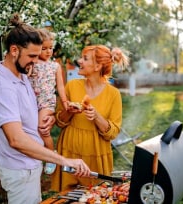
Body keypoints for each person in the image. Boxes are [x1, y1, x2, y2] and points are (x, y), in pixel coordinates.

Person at [0, 13, 90, 204]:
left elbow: (32, 109)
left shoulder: (22, 73)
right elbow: (16, 139)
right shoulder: (1, 85)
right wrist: (63, 160)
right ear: (14, 50)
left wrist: (48, 119)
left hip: (31, 164)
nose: (36, 61)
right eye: (32, 56)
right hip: (19, 169)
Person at [51, 45, 129, 191]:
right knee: (67, 198)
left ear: (97, 66)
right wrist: (69, 111)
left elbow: (113, 133)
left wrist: (96, 117)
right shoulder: (72, 86)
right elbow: (59, 122)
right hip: (68, 151)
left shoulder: (113, 94)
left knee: (95, 196)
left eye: (85, 58)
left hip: (96, 155)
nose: (79, 61)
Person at [27, 28, 68, 175]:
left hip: (46, 103)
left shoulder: (55, 66)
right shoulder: (31, 63)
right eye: (44, 48)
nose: (48, 51)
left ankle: (51, 156)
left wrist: (64, 102)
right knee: (31, 131)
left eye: (50, 48)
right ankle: (37, 155)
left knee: (42, 128)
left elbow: (60, 86)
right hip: (31, 102)